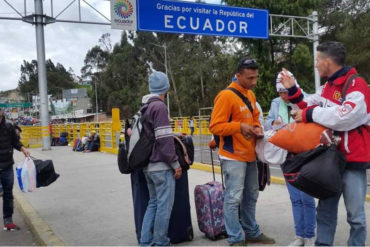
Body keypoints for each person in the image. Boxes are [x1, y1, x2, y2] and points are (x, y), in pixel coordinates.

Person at [280, 41, 370, 246]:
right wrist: (292, 88)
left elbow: (343, 117)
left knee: (356, 217)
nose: (315, 65)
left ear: (328, 62)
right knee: (325, 213)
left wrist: (310, 114)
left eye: (317, 60)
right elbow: (307, 103)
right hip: (328, 163)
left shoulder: (357, 85)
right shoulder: (326, 87)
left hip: (352, 163)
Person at [209, 58, 275, 246]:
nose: (254, 82)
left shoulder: (250, 95)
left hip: (250, 154)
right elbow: (215, 125)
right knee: (233, 197)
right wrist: (239, 127)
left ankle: (252, 231)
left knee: (251, 195)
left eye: (255, 77)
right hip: (232, 156)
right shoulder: (225, 96)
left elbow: (255, 117)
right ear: (238, 76)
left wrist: (255, 128)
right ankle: (236, 238)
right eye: (249, 78)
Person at [265, 72, 316, 246]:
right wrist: (273, 124)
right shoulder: (275, 103)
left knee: (306, 198)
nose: (283, 97)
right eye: (280, 93)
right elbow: (268, 121)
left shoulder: (306, 99)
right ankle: (299, 235)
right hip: (286, 154)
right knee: (295, 198)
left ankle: (309, 236)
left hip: (304, 154)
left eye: (285, 92)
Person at [140, 71, 182, 246]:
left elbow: (154, 134)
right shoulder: (160, 107)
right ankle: (161, 242)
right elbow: (164, 139)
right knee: (164, 206)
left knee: (154, 203)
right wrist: (175, 163)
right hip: (161, 166)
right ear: (166, 89)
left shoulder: (145, 107)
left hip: (148, 165)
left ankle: (146, 241)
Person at [0, 107, 30, 230]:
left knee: (8, 194)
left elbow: (15, 142)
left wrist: (23, 149)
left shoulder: (8, 127)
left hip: (7, 165)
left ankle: (8, 221)